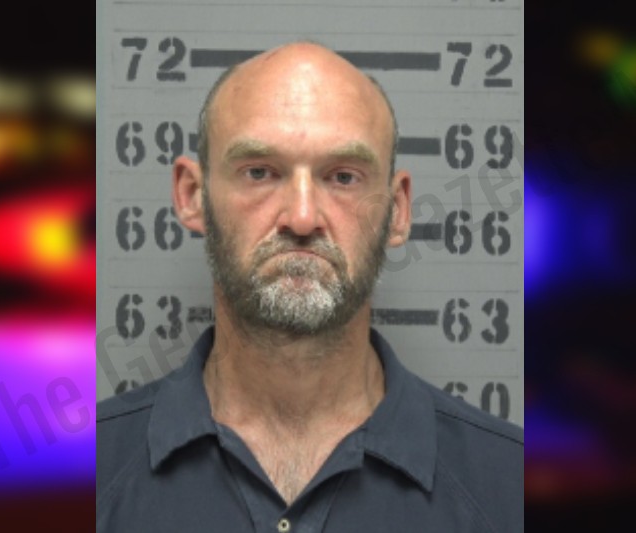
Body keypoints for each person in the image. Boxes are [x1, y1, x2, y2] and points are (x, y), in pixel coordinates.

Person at [97, 41, 522, 532]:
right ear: (192, 196)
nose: (301, 218)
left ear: (398, 211)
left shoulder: (507, 486)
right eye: (259, 172)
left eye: (343, 177)